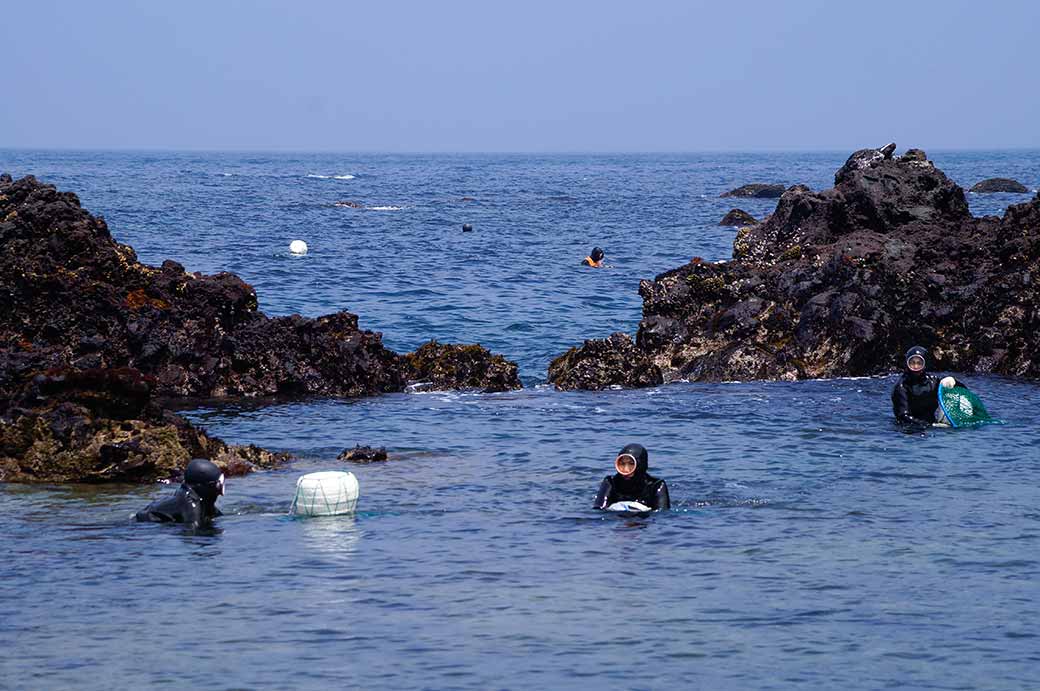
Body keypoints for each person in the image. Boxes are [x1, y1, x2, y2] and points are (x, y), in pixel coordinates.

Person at [135, 458, 225, 529]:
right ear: (207, 486)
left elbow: (214, 514)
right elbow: (193, 530)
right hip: (145, 524)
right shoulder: (190, 502)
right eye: (218, 485)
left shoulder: (200, 497)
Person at [891, 345, 967, 425]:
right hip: (907, 428)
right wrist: (930, 425)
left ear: (925, 365)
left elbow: (963, 391)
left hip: (931, 425)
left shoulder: (933, 381)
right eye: (912, 363)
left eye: (919, 363)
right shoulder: (901, 387)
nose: (916, 367)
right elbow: (903, 416)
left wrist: (953, 381)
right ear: (907, 364)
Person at [593, 443, 670, 510]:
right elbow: (599, 509)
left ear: (641, 464)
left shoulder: (656, 485)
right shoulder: (611, 482)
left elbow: (662, 513)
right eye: (622, 464)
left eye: (631, 464)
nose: (626, 470)